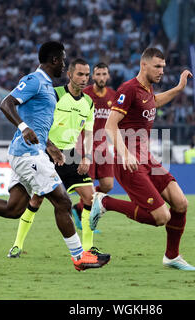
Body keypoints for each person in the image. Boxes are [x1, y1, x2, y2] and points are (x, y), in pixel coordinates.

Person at [0, 41, 109, 272]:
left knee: (14, 209)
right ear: (54, 61)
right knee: (63, 202)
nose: (64, 64)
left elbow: (38, 124)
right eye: (63, 60)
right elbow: (6, 103)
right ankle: (79, 257)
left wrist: (50, 145)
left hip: (31, 152)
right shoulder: (34, 80)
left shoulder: (47, 86)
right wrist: (24, 127)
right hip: (29, 155)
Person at [89, 47, 195, 271]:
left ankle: (172, 256)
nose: (161, 71)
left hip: (146, 158)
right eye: (157, 66)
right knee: (161, 217)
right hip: (128, 162)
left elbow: (154, 102)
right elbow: (110, 125)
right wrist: (125, 154)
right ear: (143, 65)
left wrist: (178, 88)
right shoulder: (128, 89)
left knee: (181, 203)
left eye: (163, 67)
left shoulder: (147, 90)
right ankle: (104, 202)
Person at [7, 58, 110, 260]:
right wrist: (48, 146)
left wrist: (87, 157)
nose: (84, 79)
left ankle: (88, 248)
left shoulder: (89, 103)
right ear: (69, 75)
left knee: (90, 197)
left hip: (71, 154)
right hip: (47, 152)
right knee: (36, 200)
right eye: (80, 74)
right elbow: (38, 121)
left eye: (87, 75)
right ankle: (17, 245)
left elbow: (88, 134)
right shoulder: (54, 95)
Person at [71, 62, 116, 230]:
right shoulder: (85, 94)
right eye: (98, 74)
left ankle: (78, 207)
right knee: (88, 187)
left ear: (108, 76)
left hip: (103, 146)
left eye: (104, 74)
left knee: (108, 185)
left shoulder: (113, 96)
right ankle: (86, 222)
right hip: (85, 145)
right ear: (93, 76)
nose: (101, 77)